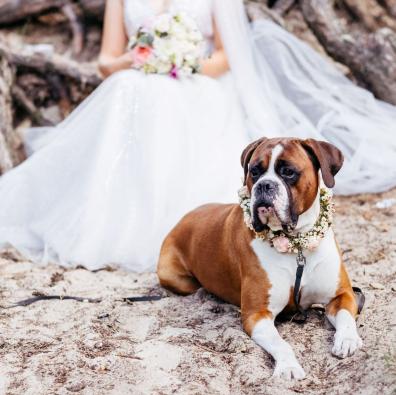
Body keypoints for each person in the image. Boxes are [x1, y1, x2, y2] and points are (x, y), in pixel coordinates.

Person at [0, 0, 395, 272]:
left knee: (159, 98)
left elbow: (227, 55)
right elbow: (106, 62)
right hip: (136, 82)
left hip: (199, 83)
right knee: (127, 88)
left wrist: (181, 62)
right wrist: (142, 60)